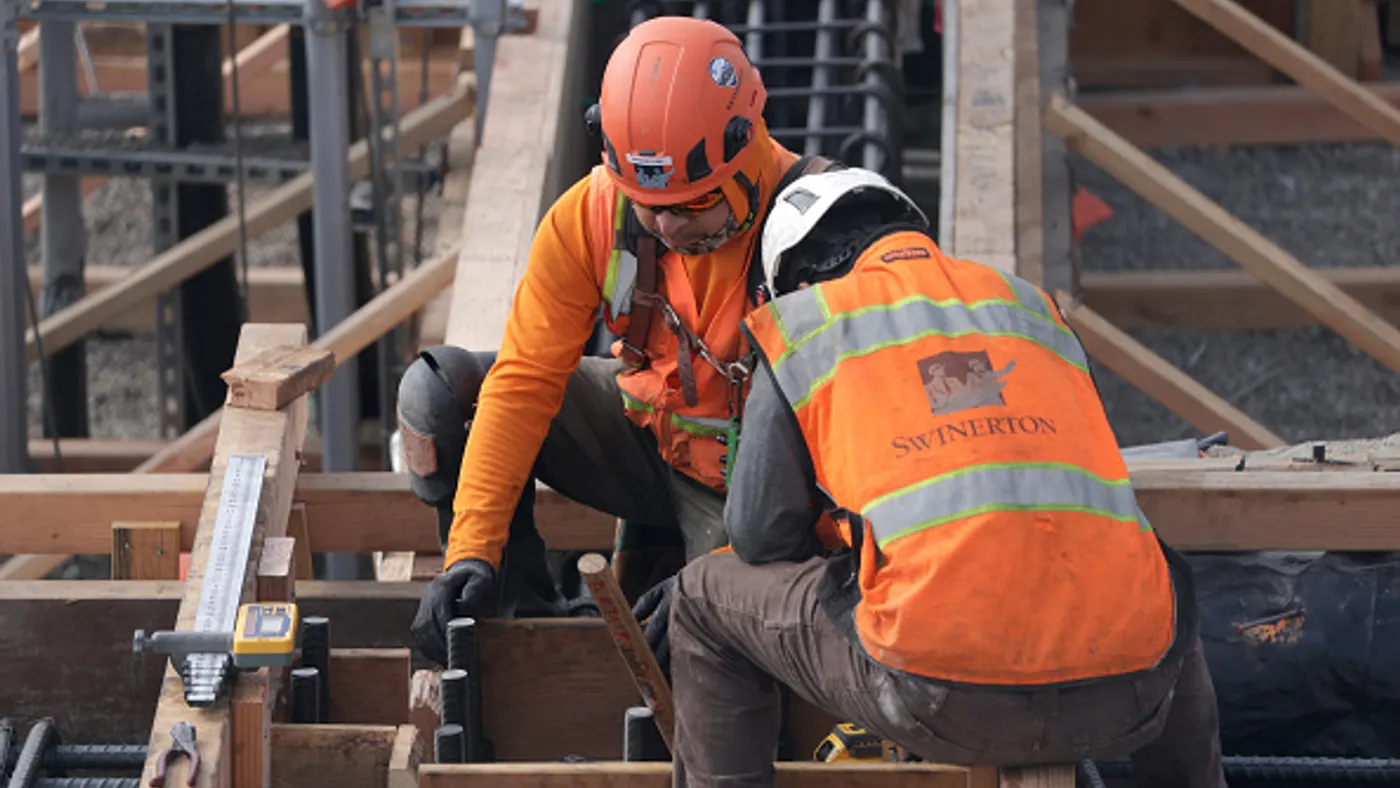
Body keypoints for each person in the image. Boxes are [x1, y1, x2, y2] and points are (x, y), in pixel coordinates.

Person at [653, 167, 1228, 787]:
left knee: (703, 596)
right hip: (1136, 693)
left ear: (794, 277)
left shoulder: (806, 325)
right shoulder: (1030, 308)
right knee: (1149, 573)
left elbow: (762, 537)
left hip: (943, 695)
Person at [401, 14, 837, 666]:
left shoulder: (822, 240)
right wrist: (472, 549)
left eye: (691, 207)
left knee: (707, 648)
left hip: (763, 493)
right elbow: (523, 384)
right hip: (650, 430)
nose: (666, 228)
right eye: (648, 205)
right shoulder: (596, 212)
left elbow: (849, 468)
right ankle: (518, 620)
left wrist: (718, 578)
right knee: (443, 395)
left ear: (746, 148)